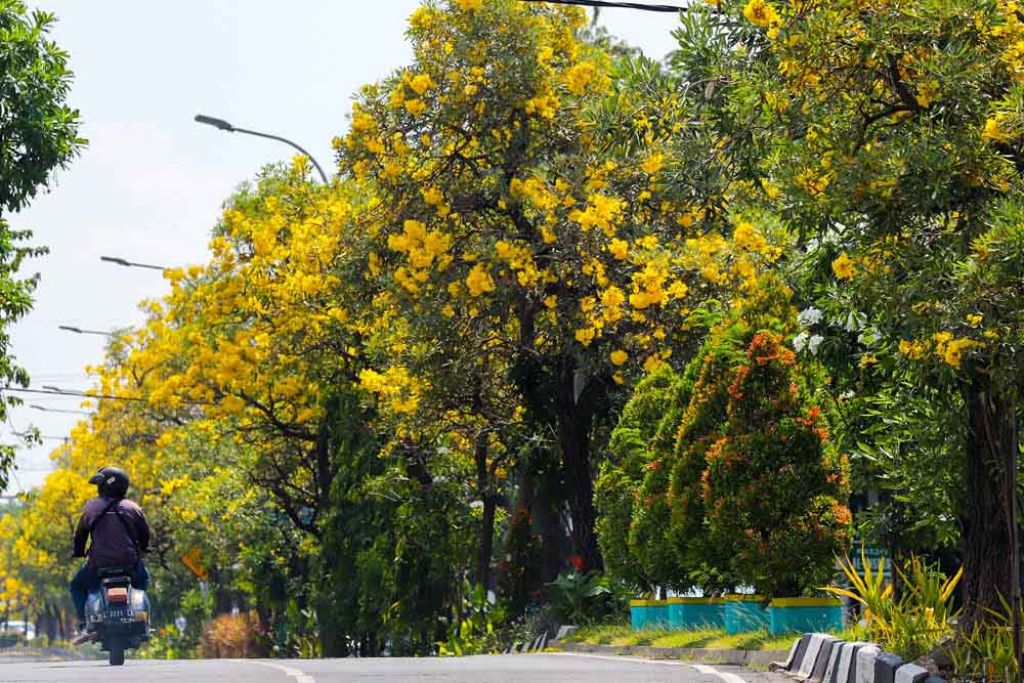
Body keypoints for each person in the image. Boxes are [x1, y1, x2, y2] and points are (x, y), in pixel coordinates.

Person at [69, 466, 151, 643]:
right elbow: (145, 534)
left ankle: (84, 625)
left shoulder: (91, 508)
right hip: (129, 564)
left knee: (76, 585)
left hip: (98, 564)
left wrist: (78, 552)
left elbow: (80, 535)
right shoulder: (132, 508)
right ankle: (142, 621)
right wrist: (144, 548)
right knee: (143, 579)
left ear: (105, 487)